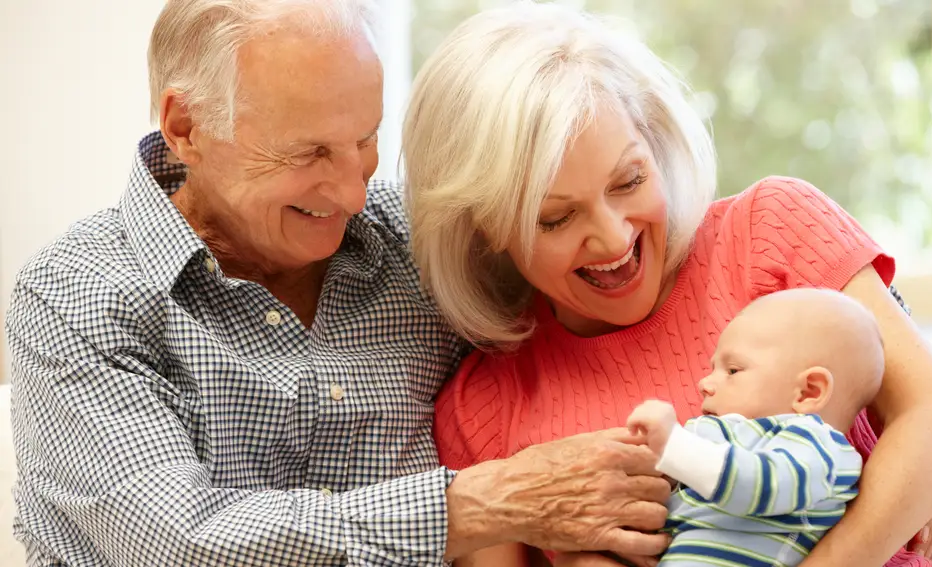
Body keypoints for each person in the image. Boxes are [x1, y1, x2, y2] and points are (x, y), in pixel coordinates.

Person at [5, 1, 675, 565]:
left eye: (365, 139)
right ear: (187, 128)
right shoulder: (76, 296)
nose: (354, 192)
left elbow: (591, 308)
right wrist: (479, 502)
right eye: (310, 153)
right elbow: (178, 542)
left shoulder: (412, 245)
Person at [401, 2, 932, 566]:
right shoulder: (483, 408)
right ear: (485, 229)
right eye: (556, 218)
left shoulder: (770, 232)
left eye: (629, 180)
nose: (611, 238)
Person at [626, 288, 886, 566]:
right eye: (713, 368)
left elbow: (758, 486)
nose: (704, 384)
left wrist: (674, 447)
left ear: (808, 392)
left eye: (733, 370)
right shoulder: (725, 436)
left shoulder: (821, 450)